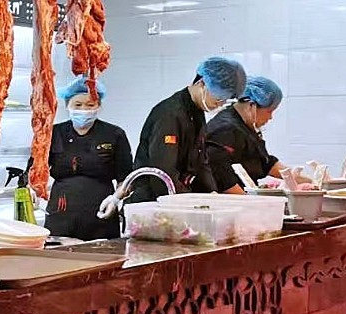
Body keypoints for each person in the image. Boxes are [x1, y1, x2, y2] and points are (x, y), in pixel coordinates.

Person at [125, 57, 246, 204]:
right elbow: (163, 173)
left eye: (224, 101)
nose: (220, 104)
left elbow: (201, 163)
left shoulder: (197, 112)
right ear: (201, 84)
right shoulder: (170, 114)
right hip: (153, 201)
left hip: (178, 196)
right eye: (218, 98)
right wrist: (187, 202)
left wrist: (212, 193)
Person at [45, 76, 133, 240]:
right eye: (77, 105)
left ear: (98, 106)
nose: (84, 109)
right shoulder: (54, 133)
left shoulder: (114, 134)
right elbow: (35, 169)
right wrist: (32, 192)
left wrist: (115, 199)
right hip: (61, 214)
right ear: (68, 106)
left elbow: (126, 179)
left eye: (90, 105)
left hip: (101, 214)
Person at [206, 76, 291, 193]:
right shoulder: (225, 129)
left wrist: (309, 181)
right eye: (269, 111)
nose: (270, 117)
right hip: (226, 200)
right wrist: (251, 201)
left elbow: (266, 163)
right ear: (252, 105)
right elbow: (221, 177)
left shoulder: (245, 126)